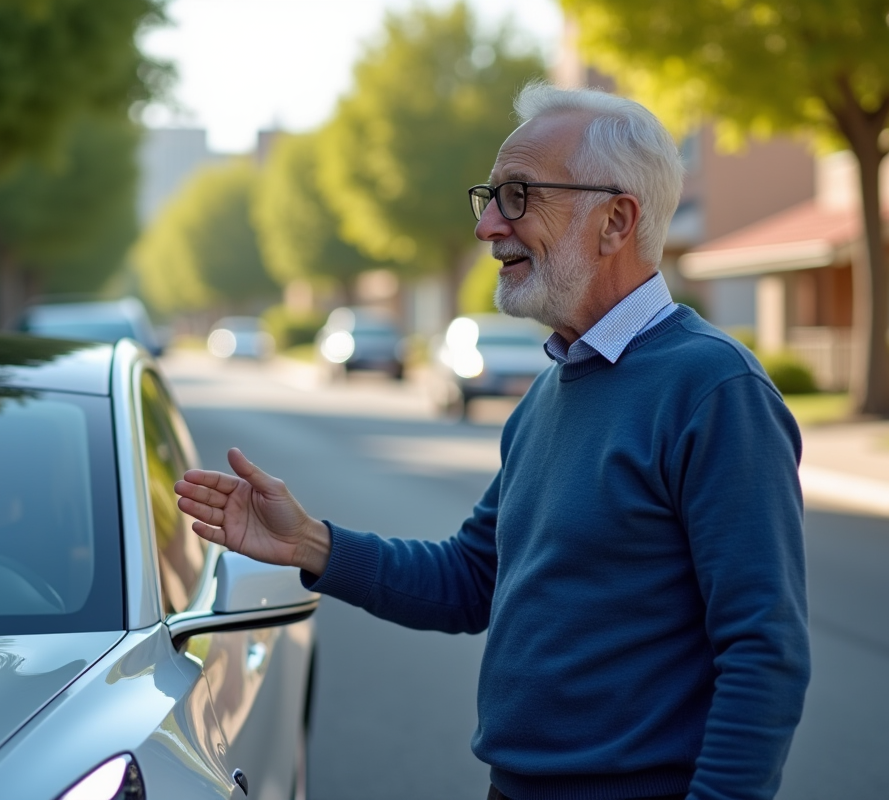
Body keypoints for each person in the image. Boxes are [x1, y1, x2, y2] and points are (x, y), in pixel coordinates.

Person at [175, 82, 809, 800]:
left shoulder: (714, 390)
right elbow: (472, 580)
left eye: (518, 196)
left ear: (615, 221)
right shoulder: (550, 391)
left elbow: (765, 653)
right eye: (490, 198)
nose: (487, 227)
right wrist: (310, 544)